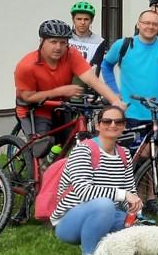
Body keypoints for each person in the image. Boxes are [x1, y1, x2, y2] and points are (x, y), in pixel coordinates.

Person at [50, 104, 142, 255]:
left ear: (124, 126)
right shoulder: (83, 150)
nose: (113, 125)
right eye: (107, 121)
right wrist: (123, 195)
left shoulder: (124, 154)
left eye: (118, 122)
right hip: (69, 222)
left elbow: (130, 189)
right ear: (98, 125)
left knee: (139, 229)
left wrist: (135, 211)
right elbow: (84, 191)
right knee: (104, 205)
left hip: (107, 215)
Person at [14, 19, 124, 160]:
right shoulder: (27, 65)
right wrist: (60, 91)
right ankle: (36, 169)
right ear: (42, 41)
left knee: (67, 142)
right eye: (53, 42)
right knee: (42, 149)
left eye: (63, 42)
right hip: (35, 108)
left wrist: (115, 100)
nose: (58, 47)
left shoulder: (71, 54)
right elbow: (27, 97)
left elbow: (92, 80)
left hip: (61, 106)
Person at [101, 9, 158, 130]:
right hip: (130, 114)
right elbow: (106, 66)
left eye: (155, 24)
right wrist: (114, 93)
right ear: (138, 24)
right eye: (146, 23)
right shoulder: (123, 45)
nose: (150, 26)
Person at [69, 1, 107, 68]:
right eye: (79, 19)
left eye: (86, 19)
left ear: (91, 21)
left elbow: (96, 68)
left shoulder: (99, 42)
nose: (82, 22)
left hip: (87, 74)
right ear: (73, 19)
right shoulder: (66, 38)